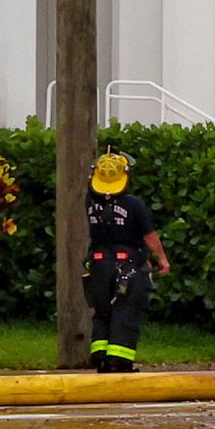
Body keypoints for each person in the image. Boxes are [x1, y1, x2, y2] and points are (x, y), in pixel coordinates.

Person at [82, 152, 170, 372]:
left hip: (99, 265)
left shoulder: (90, 201)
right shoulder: (134, 204)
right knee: (126, 311)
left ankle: (101, 355)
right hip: (128, 267)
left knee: (102, 310)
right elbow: (149, 236)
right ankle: (119, 362)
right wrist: (162, 259)